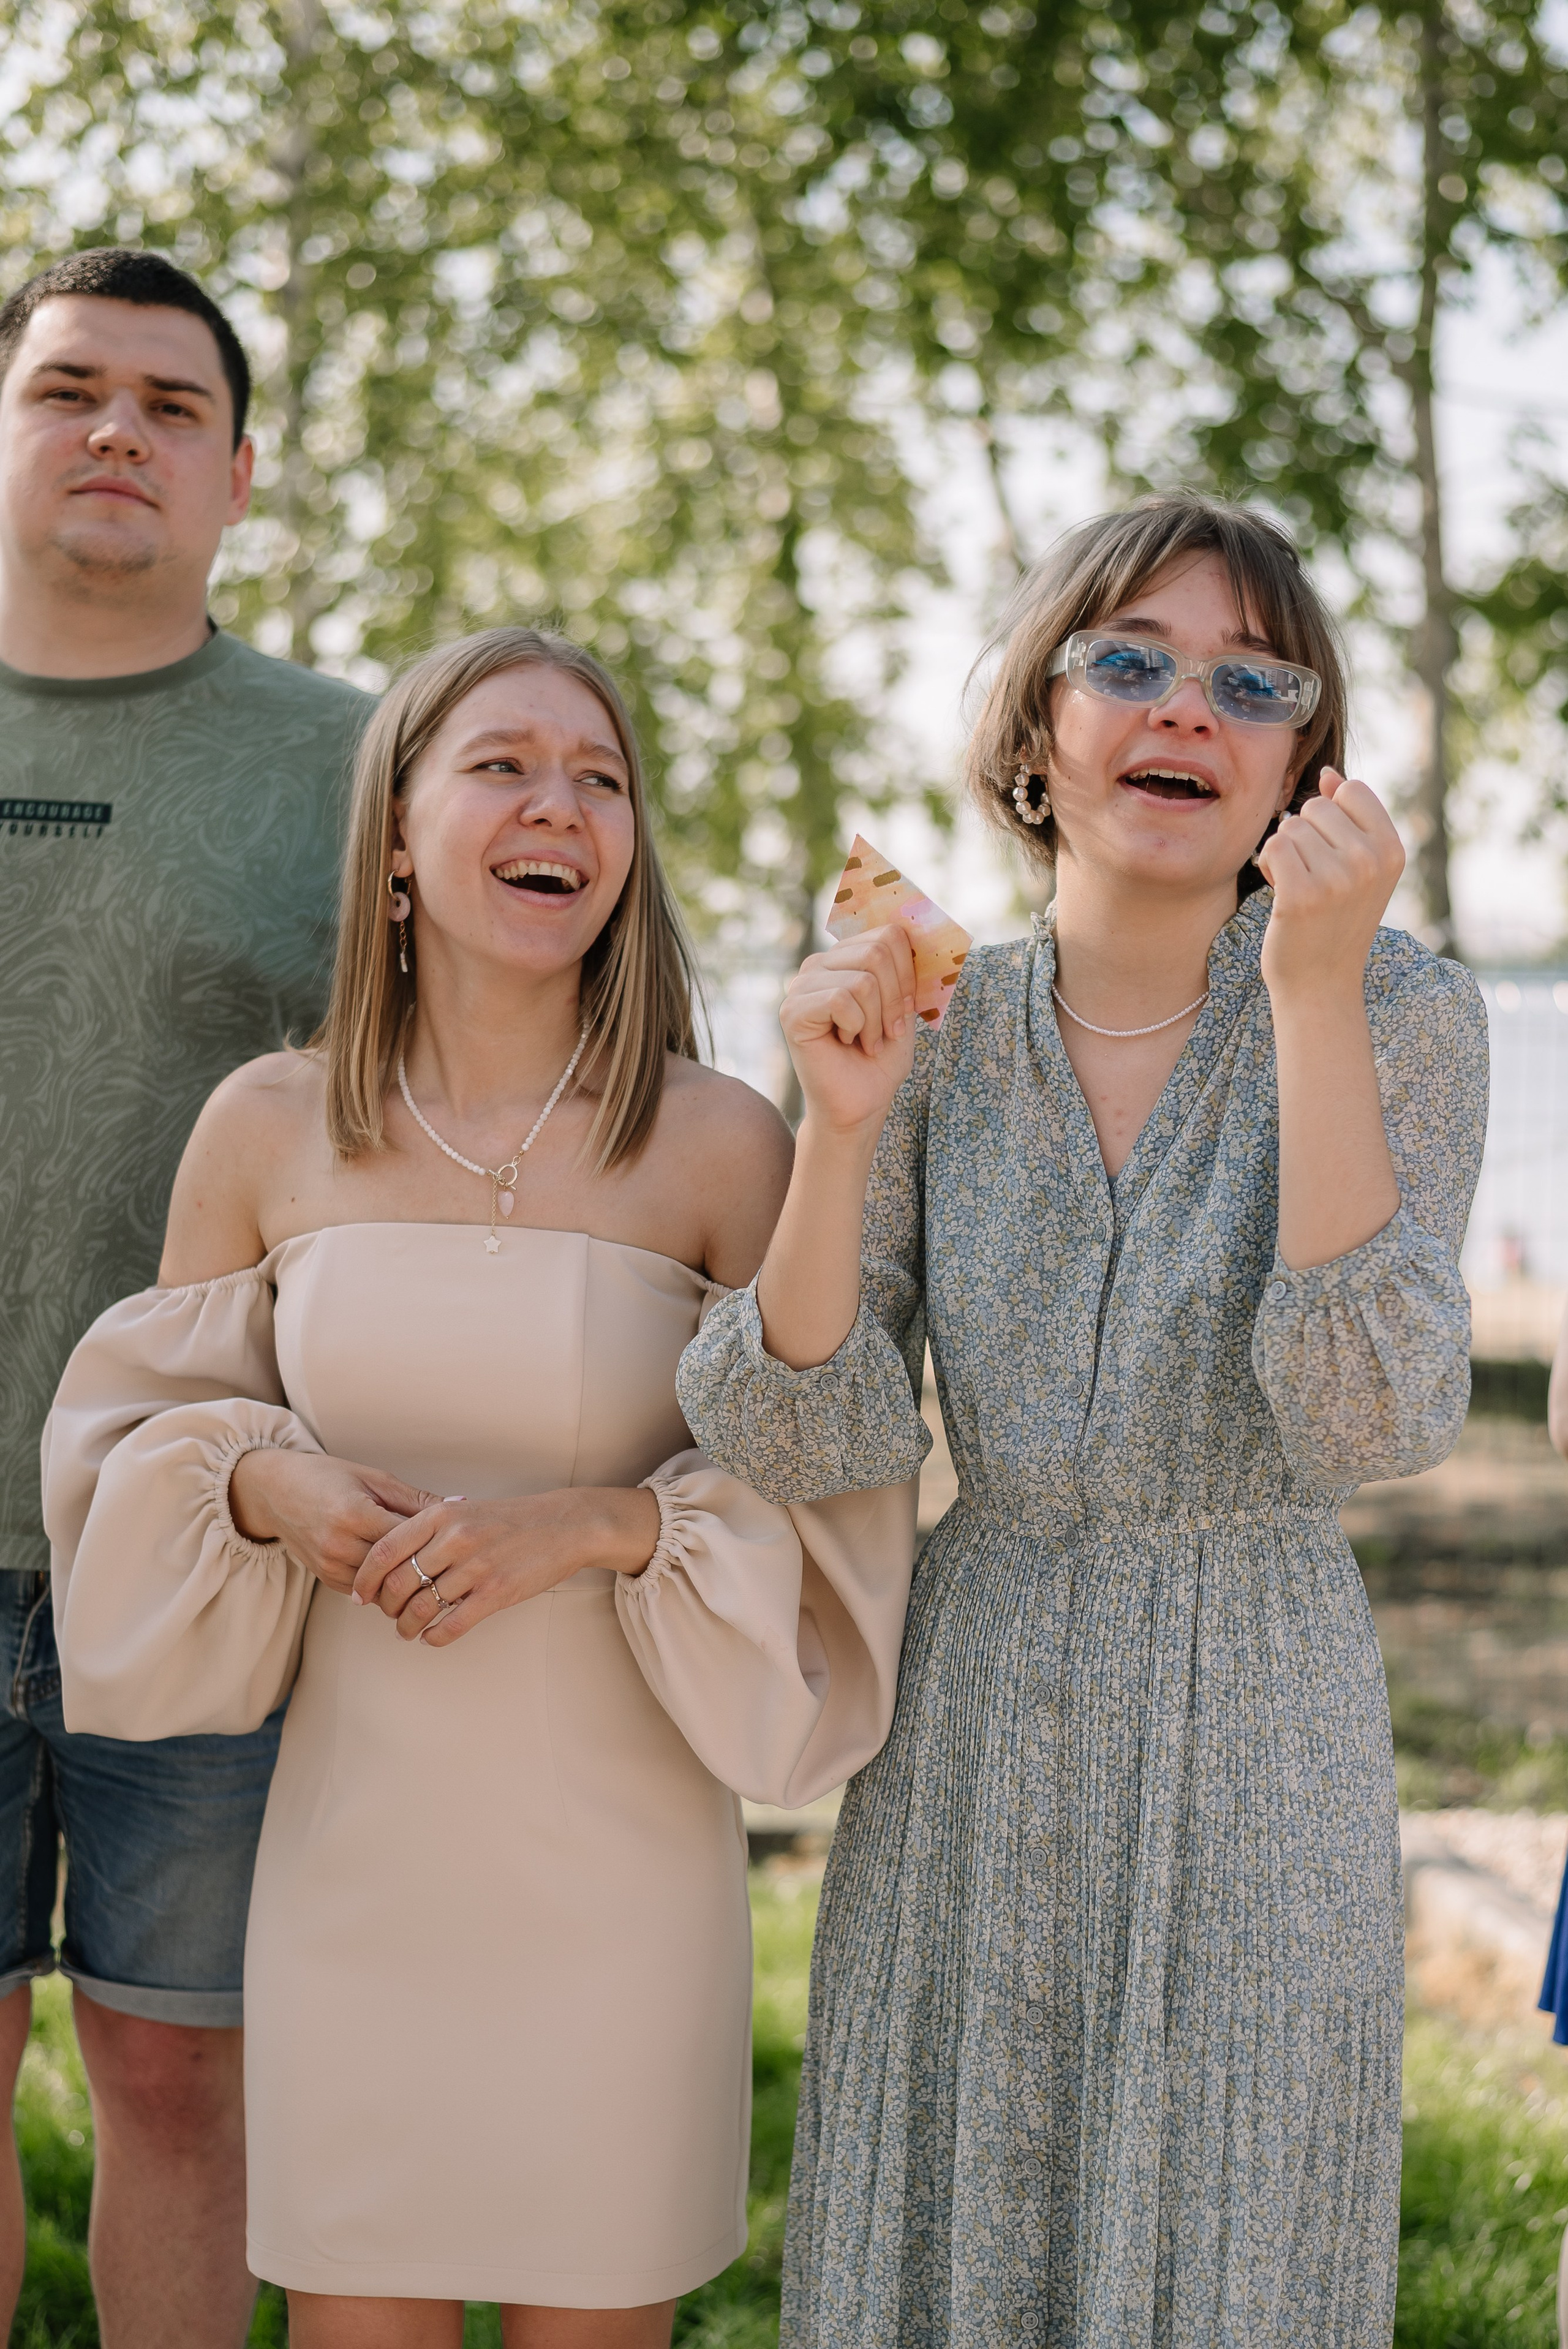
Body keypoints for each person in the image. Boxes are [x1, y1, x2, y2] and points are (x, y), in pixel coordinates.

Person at [677, 494, 1491, 2347]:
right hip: (976, 1707)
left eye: (1252, 681)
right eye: (1130, 660)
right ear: (1041, 722)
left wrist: (1311, 995)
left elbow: (1368, 1411)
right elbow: (800, 1434)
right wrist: (840, 1129)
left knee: (1231, 2255)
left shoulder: (1405, 1011)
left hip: (1262, 1709)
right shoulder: (933, 1019)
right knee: (950, 2238)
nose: (1187, 708)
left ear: (1304, 762)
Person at [43, 625, 917, 2344]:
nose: (558, 807)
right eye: (502, 766)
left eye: (600, 779)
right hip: (355, 1855)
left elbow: (826, 1482)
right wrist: (269, 1485)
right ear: (394, 833)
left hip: (623, 1872)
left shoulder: (725, 1138)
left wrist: (599, 1524)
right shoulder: (265, 1125)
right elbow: (145, 1448)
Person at [0, 245, 372, 2341]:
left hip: (215, 1538)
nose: (116, 431)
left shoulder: (357, 767)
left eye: (171, 404)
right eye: (67, 390)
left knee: (177, 2074)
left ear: (239, 476)